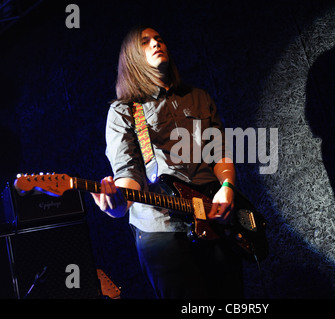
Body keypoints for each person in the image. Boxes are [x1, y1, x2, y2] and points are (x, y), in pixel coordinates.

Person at [91, 25, 243, 299]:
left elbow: (220, 151)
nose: (155, 43)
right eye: (145, 42)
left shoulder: (198, 97)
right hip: (161, 231)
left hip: (213, 217)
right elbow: (128, 174)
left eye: (158, 39)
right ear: (132, 58)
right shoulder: (124, 111)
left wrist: (228, 186)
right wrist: (116, 206)